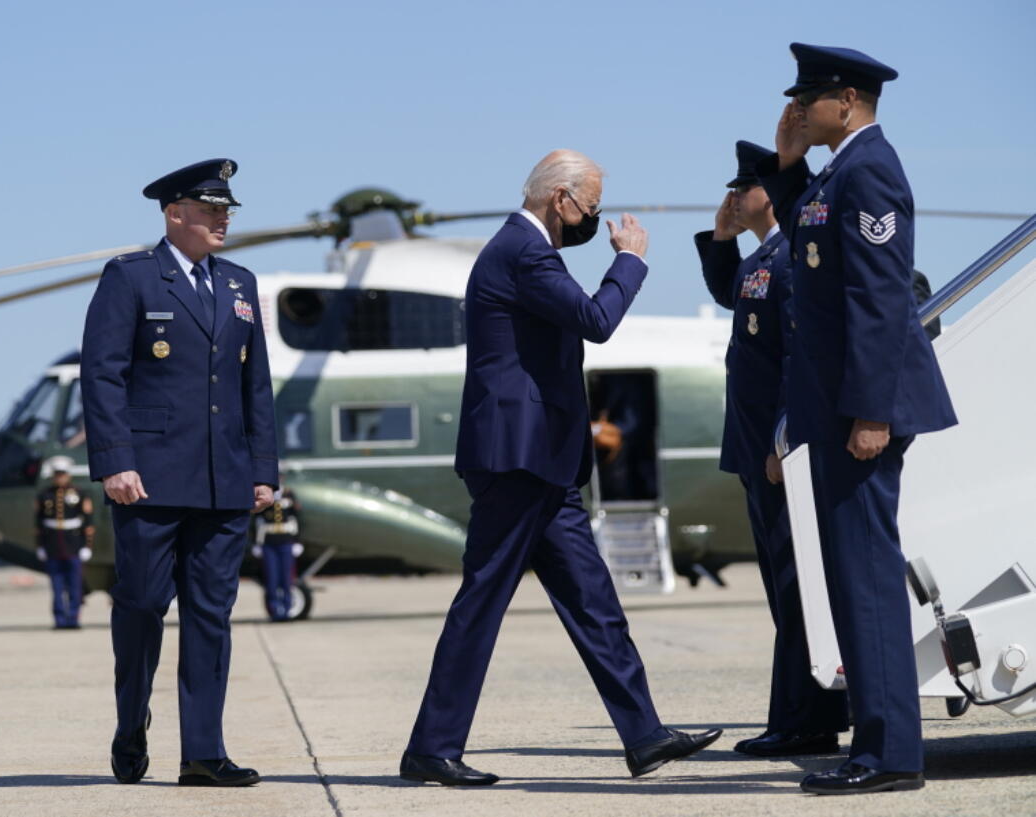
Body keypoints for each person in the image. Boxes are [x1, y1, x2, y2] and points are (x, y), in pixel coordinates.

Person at [400, 150, 721, 786]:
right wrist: (629, 258)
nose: (595, 220)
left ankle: (644, 735)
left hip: (544, 462)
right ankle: (431, 748)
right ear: (560, 200)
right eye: (592, 207)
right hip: (516, 459)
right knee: (483, 602)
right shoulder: (524, 250)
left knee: (594, 600)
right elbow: (597, 321)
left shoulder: (525, 249)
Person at [756, 44, 957, 794]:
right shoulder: (839, 172)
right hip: (834, 410)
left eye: (808, 100)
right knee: (848, 579)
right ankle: (877, 745)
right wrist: (785, 165)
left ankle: (889, 753)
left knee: (866, 579)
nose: (797, 110)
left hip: (858, 414)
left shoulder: (870, 170)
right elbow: (812, 238)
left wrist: (872, 412)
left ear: (847, 99)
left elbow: (879, 300)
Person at [81, 158, 278, 788]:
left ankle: (202, 753)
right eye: (211, 209)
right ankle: (130, 720)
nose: (224, 218)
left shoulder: (241, 285)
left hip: (224, 480)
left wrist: (263, 471)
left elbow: (256, 388)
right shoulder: (132, 278)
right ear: (175, 213)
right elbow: (103, 373)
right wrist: (116, 462)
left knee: (210, 615)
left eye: (227, 210)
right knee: (141, 605)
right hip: (151, 479)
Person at [695, 140, 849, 756]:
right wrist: (720, 234)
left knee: (794, 584)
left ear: (770, 191)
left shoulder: (790, 259)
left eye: (743, 187)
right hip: (755, 447)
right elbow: (732, 295)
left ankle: (807, 722)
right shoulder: (766, 256)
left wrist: (785, 435)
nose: (734, 196)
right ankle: (796, 715)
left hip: (779, 451)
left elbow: (798, 357)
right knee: (781, 588)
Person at [34, 456, 94, 629]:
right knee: (57, 586)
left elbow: (88, 523)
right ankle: (60, 620)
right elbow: (38, 524)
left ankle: (73, 619)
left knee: (75, 586)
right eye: (57, 474)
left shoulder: (79, 493)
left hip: (73, 544)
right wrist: (40, 546)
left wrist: (87, 546)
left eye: (63, 474)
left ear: (68, 475)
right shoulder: (45, 495)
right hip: (53, 545)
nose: (60, 477)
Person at [253, 480, 301, 622]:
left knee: (287, 579)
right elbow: (256, 520)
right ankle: (274, 611)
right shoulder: (265, 494)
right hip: (269, 542)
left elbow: (297, 519)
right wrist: (256, 543)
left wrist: (297, 541)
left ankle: (287, 610)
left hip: (286, 541)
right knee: (271, 579)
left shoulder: (289, 494)